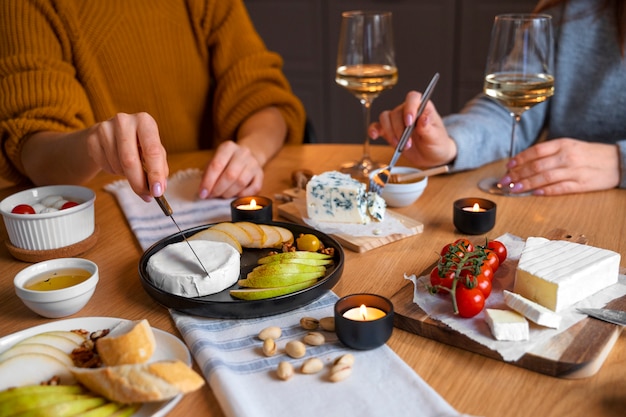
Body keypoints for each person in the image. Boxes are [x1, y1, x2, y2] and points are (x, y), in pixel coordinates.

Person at [0, 0, 306, 201]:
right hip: (93, 219)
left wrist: (251, 151)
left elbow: (265, 97)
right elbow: (32, 151)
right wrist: (93, 145)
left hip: (204, 198)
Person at [369, 0, 626, 196]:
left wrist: (619, 161)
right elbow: (506, 109)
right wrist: (452, 143)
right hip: (555, 205)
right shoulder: (572, 11)